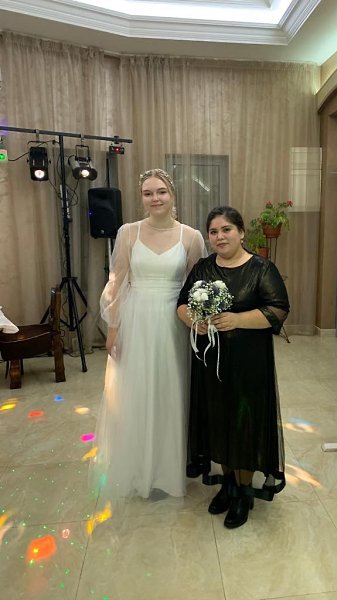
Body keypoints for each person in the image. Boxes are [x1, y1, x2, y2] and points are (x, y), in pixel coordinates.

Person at [92, 168, 206, 501]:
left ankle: (169, 468)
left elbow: (196, 286)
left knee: (171, 390)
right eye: (147, 193)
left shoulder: (191, 237)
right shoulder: (128, 232)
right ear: (141, 198)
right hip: (137, 320)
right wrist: (113, 329)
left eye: (161, 192)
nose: (155, 198)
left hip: (174, 323)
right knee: (138, 393)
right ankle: (141, 468)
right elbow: (117, 283)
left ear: (172, 195)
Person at [177, 206, 289, 528]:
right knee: (218, 422)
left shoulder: (261, 268)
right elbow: (182, 304)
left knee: (244, 424)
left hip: (249, 364)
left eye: (226, 229)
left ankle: (243, 492)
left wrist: (238, 320)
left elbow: (278, 309)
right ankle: (227, 485)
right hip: (210, 362)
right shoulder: (203, 268)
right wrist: (194, 321)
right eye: (213, 232)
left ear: (241, 233)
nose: (220, 237)